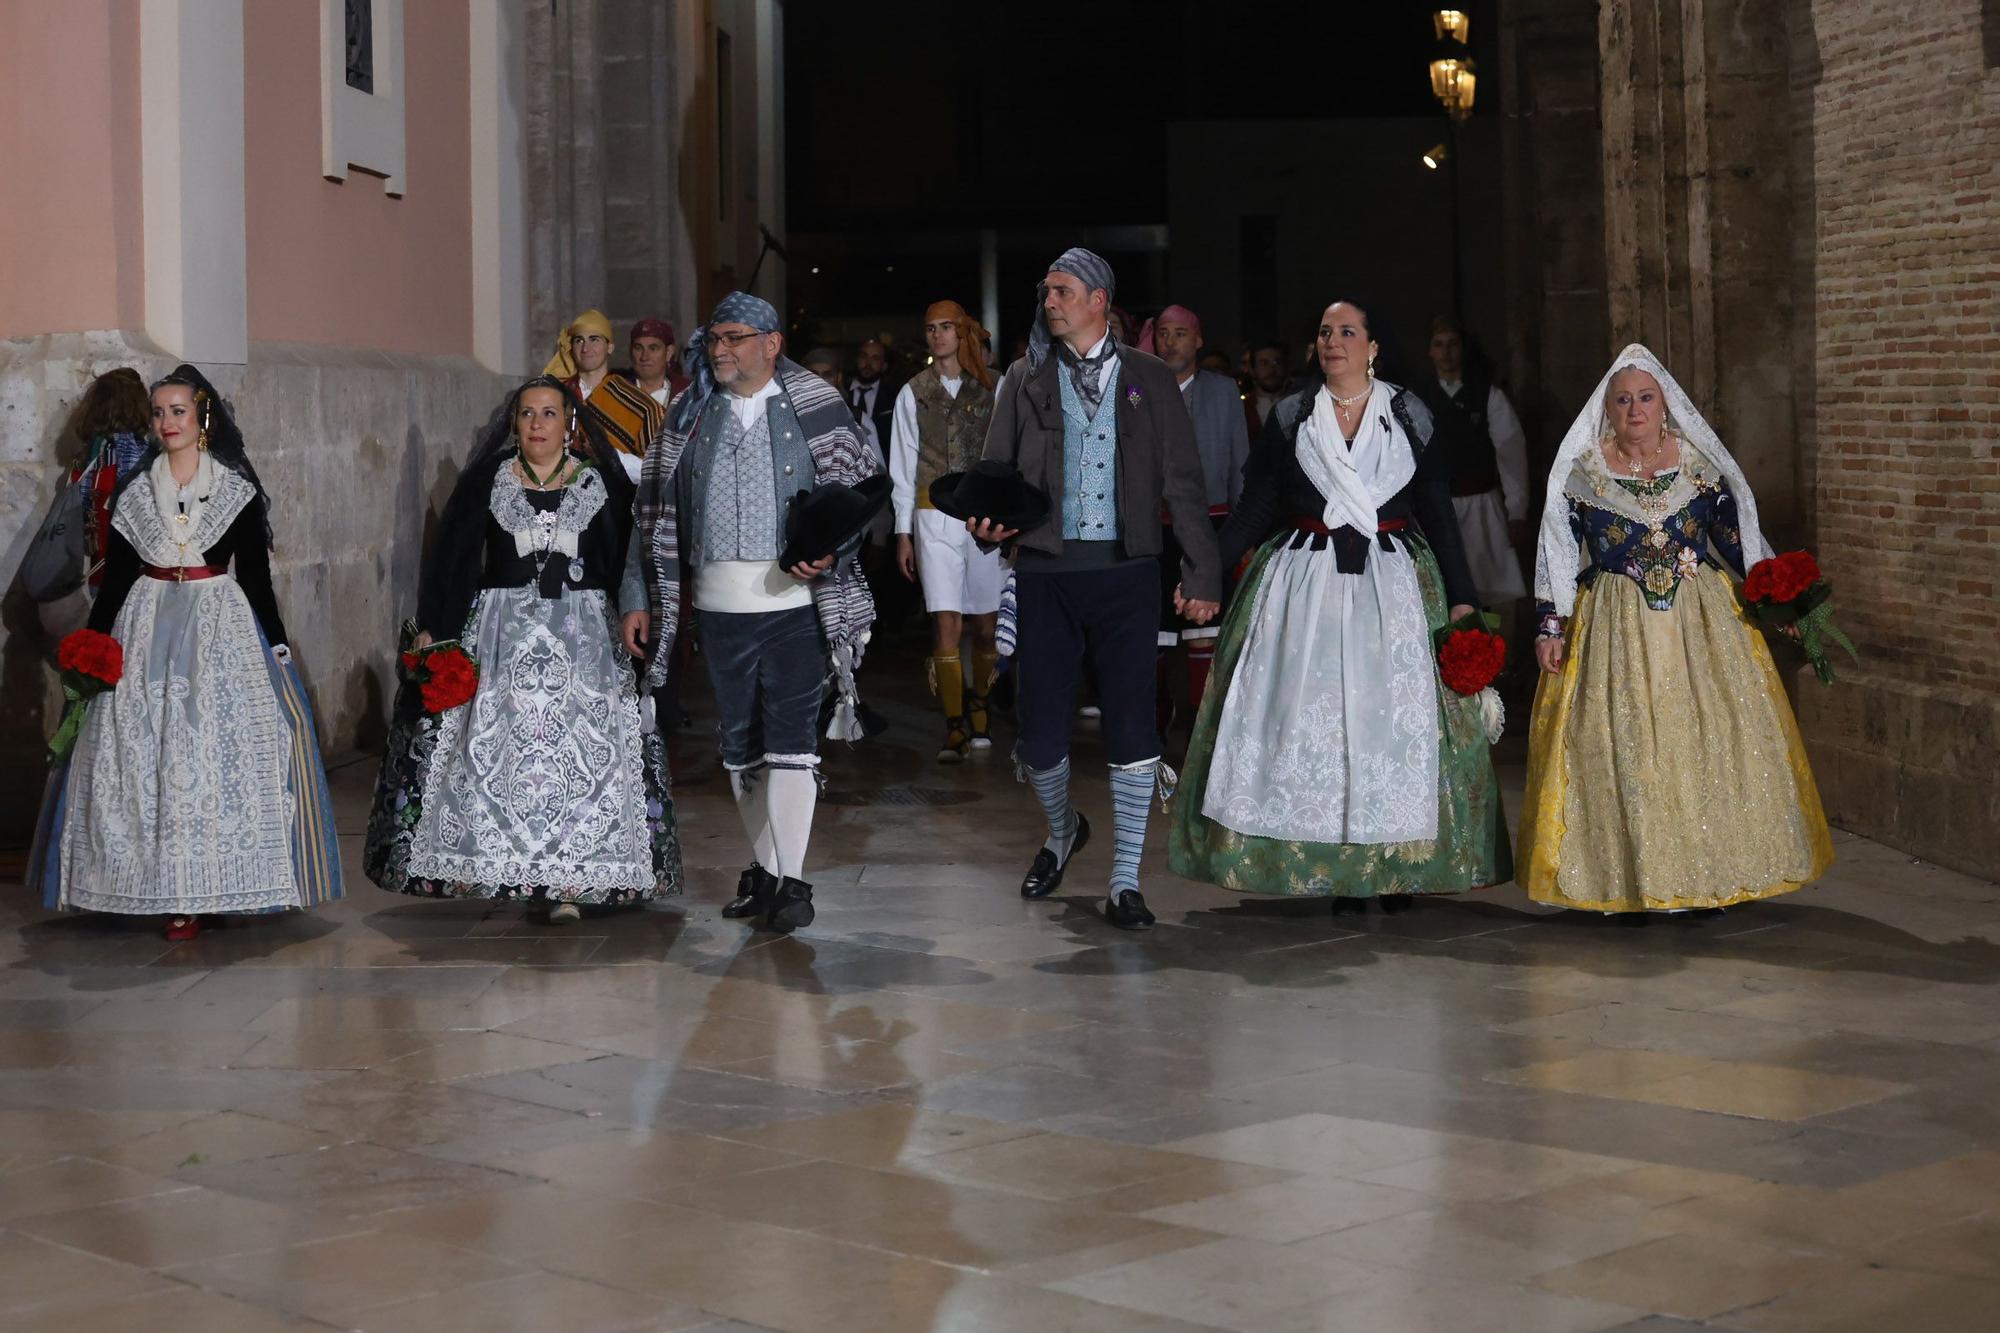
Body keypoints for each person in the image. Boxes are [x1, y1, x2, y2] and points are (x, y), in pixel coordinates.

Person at [1168, 301, 1512, 911]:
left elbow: (1436, 510)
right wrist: (1205, 573)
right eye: (1325, 333)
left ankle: (1396, 865)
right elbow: (1255, 507)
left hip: (1394, 586)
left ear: (1373, 346)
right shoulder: (1294, 415)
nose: (1334, 342)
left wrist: (1462, 598)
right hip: (1306, 585)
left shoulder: (1410, 415)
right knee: (1312, 725)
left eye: (1347, 332)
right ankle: (1329, 865)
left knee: (1389, 723)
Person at [1520, 345, 1833, 918]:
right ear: (1607, 411)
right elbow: (1558, 554)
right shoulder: (1583, 474)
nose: (1635, 409)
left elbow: (1736, 542)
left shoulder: (1697, 467)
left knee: (1708, 733)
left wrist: (1780, 599)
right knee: (1626, 742)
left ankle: (1712, 869)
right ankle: (1634, 876)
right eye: (1623, 400)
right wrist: (1550, 625)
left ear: (1665, 405)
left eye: (1645, 397)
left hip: (1701, 619)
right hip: (1614, 622)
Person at [29, 366, 342, 939]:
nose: (166, 422)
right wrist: (94, 642)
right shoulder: (135, 492)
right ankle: (149, 884)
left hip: (218, 625)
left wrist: (276, 644)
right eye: (158, 412)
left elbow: (257, 579)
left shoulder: (235, 490)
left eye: (178, 411)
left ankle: (210, 883)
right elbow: (118, 578)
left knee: (212, 748)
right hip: (144, 621)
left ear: (203, 418)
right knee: (135, 749)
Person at [970, 248, 1222, 931]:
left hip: (1128, 573)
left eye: (1062, 290)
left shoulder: (1149, 377)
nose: (1049, 300)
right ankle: (1062, 828)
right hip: (1048, 573)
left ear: (1099, 301)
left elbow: (1185, 481)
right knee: (1039, 733)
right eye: (1045, 289)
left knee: (1133, 723)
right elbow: (995, 471)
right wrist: (988, 522)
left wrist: (1201, 572)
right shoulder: (1025, 377)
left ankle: (1124, 881)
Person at [365, 377, 678, 921]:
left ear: (569, 423)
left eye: (549, 414)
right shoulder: (488, 481)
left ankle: (570, 882)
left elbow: (624, 559)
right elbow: (454, 559)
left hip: (583, 641)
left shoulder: (597, 482)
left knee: (576, 750)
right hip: (501, 634)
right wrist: (436, 627)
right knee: (504, 748)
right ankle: (504, 864)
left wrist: (634, 611)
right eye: (528, 414)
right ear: (515, 422)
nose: (537, 424)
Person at [622, 292, 880, 934]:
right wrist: (636, 596)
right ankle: (769, 872)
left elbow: (862, 489)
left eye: (735, 337)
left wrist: (831, 550)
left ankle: (791, 881)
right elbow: (648, 512)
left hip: (794, 605)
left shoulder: (816, 406)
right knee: (740, 746)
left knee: (791, 738)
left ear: (772, 343)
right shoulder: (688, 413)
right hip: (716, 606)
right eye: (714, 339)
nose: (720, 350)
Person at [891, 301, 1002, 761]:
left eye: (945, 328)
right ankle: (955, 722)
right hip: (932, 515)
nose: (937, 336)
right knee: (946, 619)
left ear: (963, 333)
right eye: (930, 328)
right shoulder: (912, 392)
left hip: (986, 518)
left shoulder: (991, 388)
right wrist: (902, 532)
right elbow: (902, 461)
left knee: (988, 624)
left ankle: (981, 706)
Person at [1140, 304, 1250, 728]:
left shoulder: (1223, 391)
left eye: (1180, 333)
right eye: (1164, 333)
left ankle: (1200, 729)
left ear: (1198, 340)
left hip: (1213, 520)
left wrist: (1243, 533)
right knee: (1157, 632)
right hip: (1156, 526)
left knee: (1206, 627)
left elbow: (1241, 460)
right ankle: (1154, 722)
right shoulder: (1139, 388)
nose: (1170, 341)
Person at [1422, 316, 1530, 604]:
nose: (1446, 352)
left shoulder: (1487, 396)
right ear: (1430, 351)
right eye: (1439, 345)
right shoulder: (1418, 399)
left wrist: (1516, 510)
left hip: (1483, 508)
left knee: (1490, 594)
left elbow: (1511, 452)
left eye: (1452, 345)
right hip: (1437, 509)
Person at [547, 308, 665, 474]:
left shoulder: (640, 405)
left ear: (610, 347)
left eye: (594, 339)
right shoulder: (556, 394)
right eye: (579, 340)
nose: (585, 348)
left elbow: (655, 469)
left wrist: (609, 456)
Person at [848, 337, 898, 464]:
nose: (868, 363)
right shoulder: (841, 391)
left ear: (884, 365)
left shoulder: (894, 398)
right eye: (864, 356)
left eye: (875, 358)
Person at [629, 317, 688, 408]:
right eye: (638, 348)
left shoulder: (688, 394)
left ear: (668, 352)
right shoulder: (617, 391)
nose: (644, 357)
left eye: (653, 348)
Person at [1247, 340, 1290, 429]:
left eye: (1277, 362)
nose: (1271, 369)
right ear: (1252, 369)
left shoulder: (1301, 406)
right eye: (1263, 363)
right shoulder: (1241, 408)